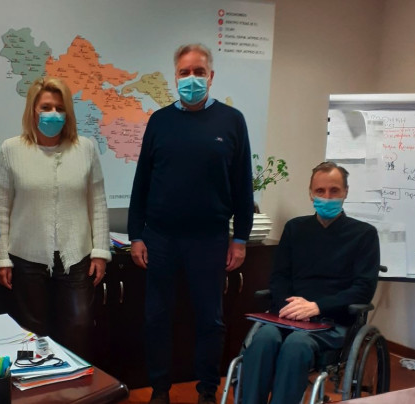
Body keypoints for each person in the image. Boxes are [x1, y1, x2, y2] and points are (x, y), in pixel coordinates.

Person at [128, 43, 254, 404]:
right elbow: (142, 181)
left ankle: (206, 391)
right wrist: (136, 235)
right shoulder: (160, 121)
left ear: (211, 76)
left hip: (209, 239)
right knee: (157, 318)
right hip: (161, 237)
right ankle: (160, 390)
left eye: (199, 72)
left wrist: (241, 238)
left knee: (209, 320)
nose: (192, 79)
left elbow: (243, 184)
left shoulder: (232, 121)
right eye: (185, 72)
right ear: (175, 77)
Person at [241, 161, 380, 404]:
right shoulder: (295, 229)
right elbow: (279, 277)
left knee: (296, 345)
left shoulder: (364, 235)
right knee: (263, 339)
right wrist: (290, 308)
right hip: (288, 315)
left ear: (346, 192)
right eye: (320, 191)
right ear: (310, 193)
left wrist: (316, 307)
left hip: (331, 321)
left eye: (334, 191)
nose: (327, 197)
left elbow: (363, 290)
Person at [0, 77, 111, 361]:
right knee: (32, 332)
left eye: (60, 108)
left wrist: (100, 251)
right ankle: (36, 382)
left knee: (79, 325)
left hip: (76, 257)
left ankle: (74, 382)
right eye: (46, 107)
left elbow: (97, 203)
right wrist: (2, 258)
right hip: (26, 258)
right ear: (32, 110)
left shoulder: (86, 148)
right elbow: (0, 208)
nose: (53, 114)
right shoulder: (11, 150)